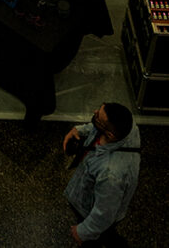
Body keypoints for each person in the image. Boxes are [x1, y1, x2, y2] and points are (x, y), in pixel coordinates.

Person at [62, 102, 141, 245]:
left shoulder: (110, 175)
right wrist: (79, 130)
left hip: (89, 210)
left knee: (98, 237)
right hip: (94, 200)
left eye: (98, 117)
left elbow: (104, 213)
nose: (95, 111)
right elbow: (95, 128)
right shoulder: (127, 127)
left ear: (109, 135)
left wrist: (83, 232)